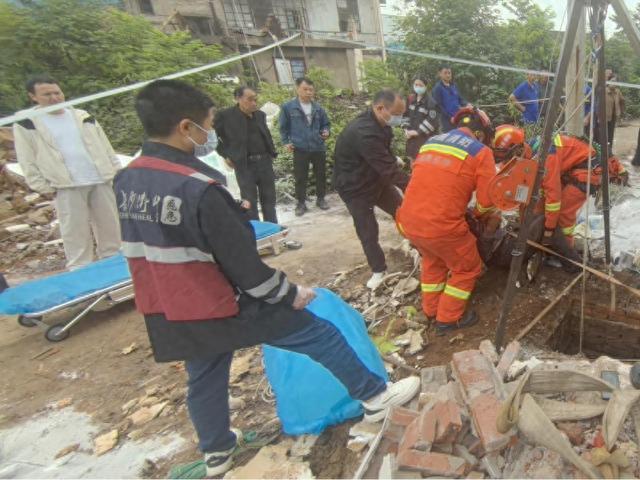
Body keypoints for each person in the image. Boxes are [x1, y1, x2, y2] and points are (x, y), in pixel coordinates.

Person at [114, 80, 419, 477]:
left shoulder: (128, 178)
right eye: (209, 125)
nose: (210, 135)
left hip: (170, 302)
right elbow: (242, 265)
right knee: (319, 334)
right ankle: (375, 397)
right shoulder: (198, 188)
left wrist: (229, 212)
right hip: (219, 298)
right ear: (185, 127)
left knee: (204, 374)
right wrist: (288, 293)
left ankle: (217, 450)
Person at [396, 107, 497, 334]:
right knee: (467, 267)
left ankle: (431, 310)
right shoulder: (481, 152)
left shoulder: (431, 142)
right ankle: (448, 319)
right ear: (480, 134)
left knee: (434, 260)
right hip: (440, 226)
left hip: (408, 221)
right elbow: (487, 201)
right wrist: (478, 215)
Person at [13, 75, 121, 270]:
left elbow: (105, 145)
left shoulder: (82, 116)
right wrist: (41, 186)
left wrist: (116, 170)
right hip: (65, 184)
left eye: (57, 93)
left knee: (110, 228)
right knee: (75, 233)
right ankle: (81, 271)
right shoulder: (27, 123)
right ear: (33, 97)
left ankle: (113, 265)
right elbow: (26, 158)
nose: (54, 98)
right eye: (47, 95)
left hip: (100, 178)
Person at [333, 90, 409, 290]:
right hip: (355, 187)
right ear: (380, 108)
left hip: (376, 179)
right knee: (368, 230)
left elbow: (384, 156)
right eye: (397, 114)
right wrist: (418, 187)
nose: (399, 118)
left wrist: (392, 159)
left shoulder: (382, 124)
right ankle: (378, 270)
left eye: (402, 114)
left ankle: (417, 244)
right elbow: (389, 170)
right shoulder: (364, 132)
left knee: (404, 212)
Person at [215, 86, 278, 223]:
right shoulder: (225, 116)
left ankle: (273, 228)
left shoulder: (260, 115)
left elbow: (266, 136)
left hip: (265, 162)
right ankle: (255, 231)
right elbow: (212, 138)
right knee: (250, 202)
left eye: (255, 99)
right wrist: (225, 154)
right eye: (250, 99)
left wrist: (271, 152)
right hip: (244, 165)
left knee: (269, 200)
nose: (254, 103)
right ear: (238, 98)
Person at [279, 77, 331, 216]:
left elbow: (326, 124)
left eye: (311, 90)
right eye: (305, 89)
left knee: (320, 174)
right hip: (300, 147)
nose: (308, 92)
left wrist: (326, 131)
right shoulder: (288, 107)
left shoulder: (318, 108)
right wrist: (286, 142)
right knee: (300, 177)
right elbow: (283, 127)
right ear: (297, 89)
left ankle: (321, 199)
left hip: (318, 146)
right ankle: (301, 203)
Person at [404, 76, 439, 161]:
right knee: (412, 159)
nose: (418, 87)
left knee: (423, 161)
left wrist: (417, 132)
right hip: (411, 138)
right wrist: (406, 129)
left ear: (425, 86)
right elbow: (405, 115)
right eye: (416, 85)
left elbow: (432, 122)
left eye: (420, 85)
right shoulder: (410, 99)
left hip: (425, 139)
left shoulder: (431, 102)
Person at [431, 65, 470, 132]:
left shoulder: (454, 85)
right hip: (446, 122)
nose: (448, 75)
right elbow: (439, 107)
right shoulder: (437, 88)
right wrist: (450, 117)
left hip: (459, 118)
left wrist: (467, 104)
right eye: (445, 73)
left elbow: (460, 99)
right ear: (440, 74)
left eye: (449, 73)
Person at [604, 69, 625, 151]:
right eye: (612, 81)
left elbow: (622, 101)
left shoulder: (617, 92)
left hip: (613, 117)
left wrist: (621, 113)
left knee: (611, 135)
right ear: (608, 81)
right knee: (603, 135)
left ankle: (609, 151)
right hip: (604, 117)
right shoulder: (604, 91)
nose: (614, 83)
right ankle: (602, 152)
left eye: (615, 82)